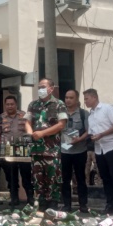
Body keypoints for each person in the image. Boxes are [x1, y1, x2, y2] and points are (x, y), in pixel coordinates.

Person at [25, 78, 68, 210]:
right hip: (36, 150)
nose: (40, 90)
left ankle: (52, 207)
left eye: (43, 87)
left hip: (51, 150)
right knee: (38, 180)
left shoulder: (58, 104)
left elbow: (61, 124)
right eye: (39, 87)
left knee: (53, 180)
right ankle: (41, 207)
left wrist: (42, 133)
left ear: (51, 88)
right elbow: (27, 121)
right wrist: (30, 133)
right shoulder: (33, 104)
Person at [84, 89, 113, 215]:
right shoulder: (91, 115)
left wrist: (102, 134)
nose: (85, 101)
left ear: (94, 97)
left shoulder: (107, 108)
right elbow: (92, 132)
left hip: (112, 145)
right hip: (99, 148)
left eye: (87, 98)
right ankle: (110, 204)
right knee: (104, 177)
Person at [0, 96, 34, 206]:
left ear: (16, 104)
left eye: (12, 104)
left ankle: (30, 198)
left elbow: (30, 129)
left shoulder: (24, 115)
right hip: (7, 150)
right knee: (11, 176)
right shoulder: (0, 118)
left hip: (23, 149)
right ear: (5, 105)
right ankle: (14, 198)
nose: (10, 106)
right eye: (7, 104)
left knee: (26, 175)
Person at [60, 90, 89, 213]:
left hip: (79, 151)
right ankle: (67, 205)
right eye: (66, 97)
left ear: (77, 99)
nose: (68, 100)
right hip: (64, 151)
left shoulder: (83, 114)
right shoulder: (60, 114)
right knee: (65, 180)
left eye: (71, 97)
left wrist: (79, 139)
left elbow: (89, 131)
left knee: (81, 178)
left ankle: (83, 204)